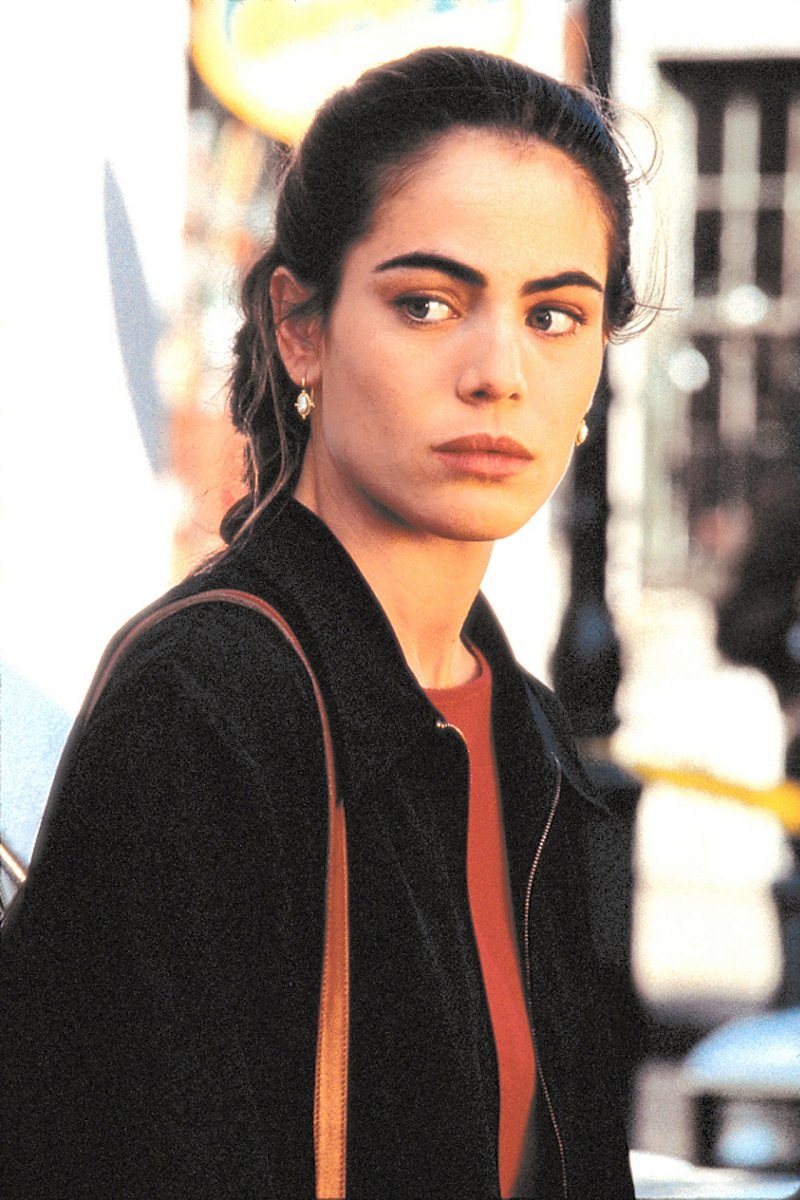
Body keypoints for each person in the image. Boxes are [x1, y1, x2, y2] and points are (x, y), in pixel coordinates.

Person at [3, 47, 642, 1199]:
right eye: (427, 303)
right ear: (301, 327)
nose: (498, 372)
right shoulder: (205, 710)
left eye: (554, 315)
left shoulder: (527, 735)